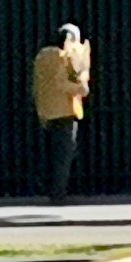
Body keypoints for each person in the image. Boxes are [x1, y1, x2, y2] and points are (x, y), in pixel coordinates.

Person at [31, 22, 92, 206]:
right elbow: (64, 83)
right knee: (63, 155)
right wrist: (81, 88)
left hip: (46, 111)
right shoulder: (64, 57)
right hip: (66, 110)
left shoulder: (41, 57)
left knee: (51, 154)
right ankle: (58, 193)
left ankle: (50, 189)